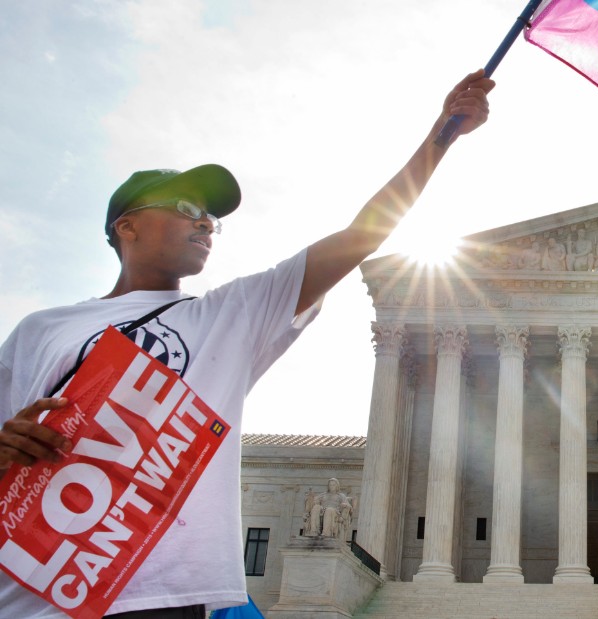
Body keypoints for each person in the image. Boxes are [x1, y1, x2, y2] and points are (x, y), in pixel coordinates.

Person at [0, 70, 493, 618]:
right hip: (30, 590)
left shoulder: (228, 317)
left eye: (212, 218)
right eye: (188, 210)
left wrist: (442, 134)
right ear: (127, 226)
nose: (207, 225)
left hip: (159, 593)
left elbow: (360, 237)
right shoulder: (41, 331)